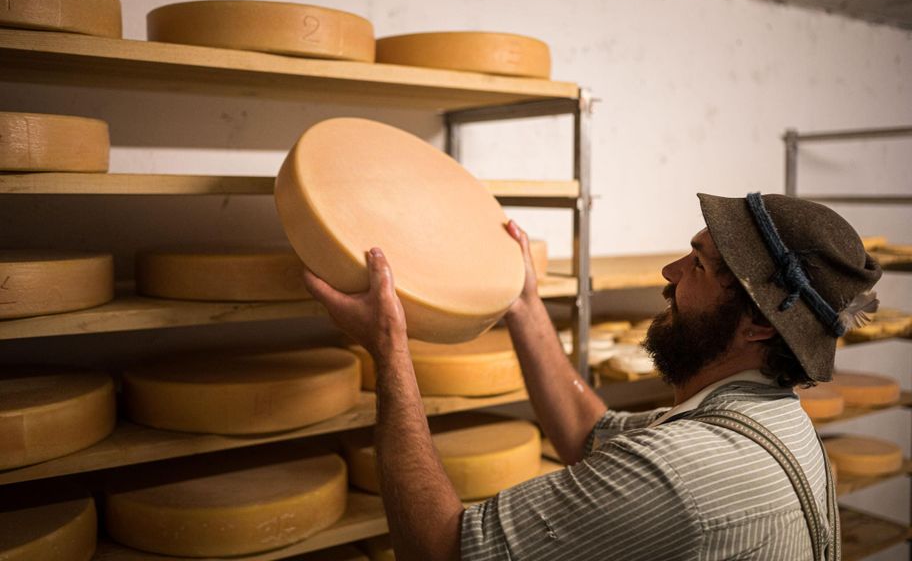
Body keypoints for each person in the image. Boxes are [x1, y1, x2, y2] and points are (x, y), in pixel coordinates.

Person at [302, 192, 882, 561]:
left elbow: (440, 551)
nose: (670, 272)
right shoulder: (767, 421)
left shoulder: (684, 471)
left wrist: (390, 349)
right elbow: (591, 436)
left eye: (699, 266)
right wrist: (525, 303)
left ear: (758, 324)